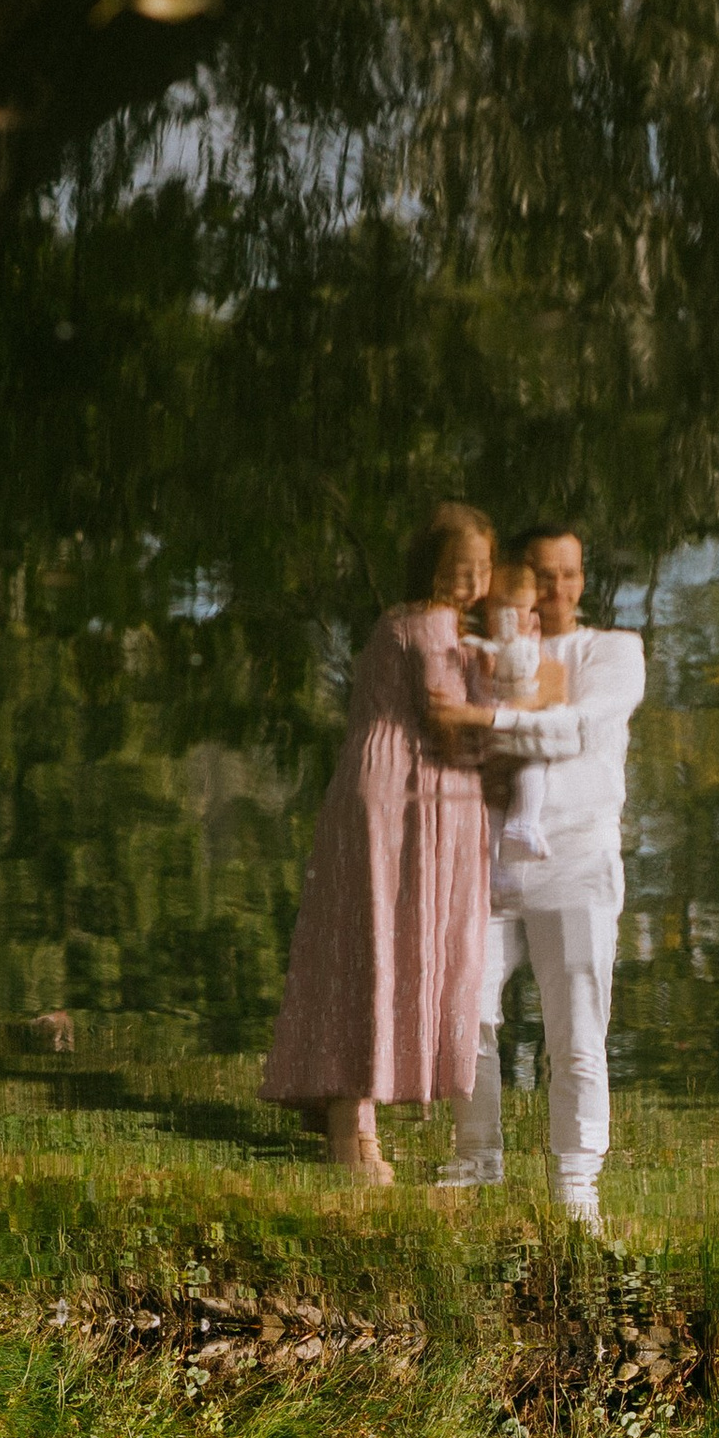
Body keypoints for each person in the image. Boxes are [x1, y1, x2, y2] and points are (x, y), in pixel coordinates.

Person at [260, 503, 497, 1183]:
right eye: (460, 568)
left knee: (359, 942)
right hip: (400, 790)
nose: (472, 582)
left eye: (482, 569)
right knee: (379, 949)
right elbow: (450, 720)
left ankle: (341, 1105)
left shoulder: (404, 621)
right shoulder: (430, 625)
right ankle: (350, 1128)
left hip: (388, 785)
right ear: (431, 568)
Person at [436, 523, 646, 1224]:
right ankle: (476, 1158)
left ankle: (576, 1183)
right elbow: (447, 737)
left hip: (578, 860)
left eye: (571, 574)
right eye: (544, 575)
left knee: (577, 1030)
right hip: (490, 859)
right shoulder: (477, 652)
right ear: (516, 578)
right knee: (466, 1010)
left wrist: (484, 719)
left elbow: (578, 728)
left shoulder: (613, 651)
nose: (558, 590)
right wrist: (480, 723)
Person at [461, 551, 567, 867]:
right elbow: (478, 692)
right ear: (488, 613)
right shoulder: (483, 648)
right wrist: (485, 672)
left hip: (518, 726)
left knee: (530, 769)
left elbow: (546, 681)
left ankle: (521, 826)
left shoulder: (533, 642)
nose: (517, 617)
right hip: (493, 726)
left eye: (525, 608)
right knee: (500, 787)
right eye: (504, 609)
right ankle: (497, 858)